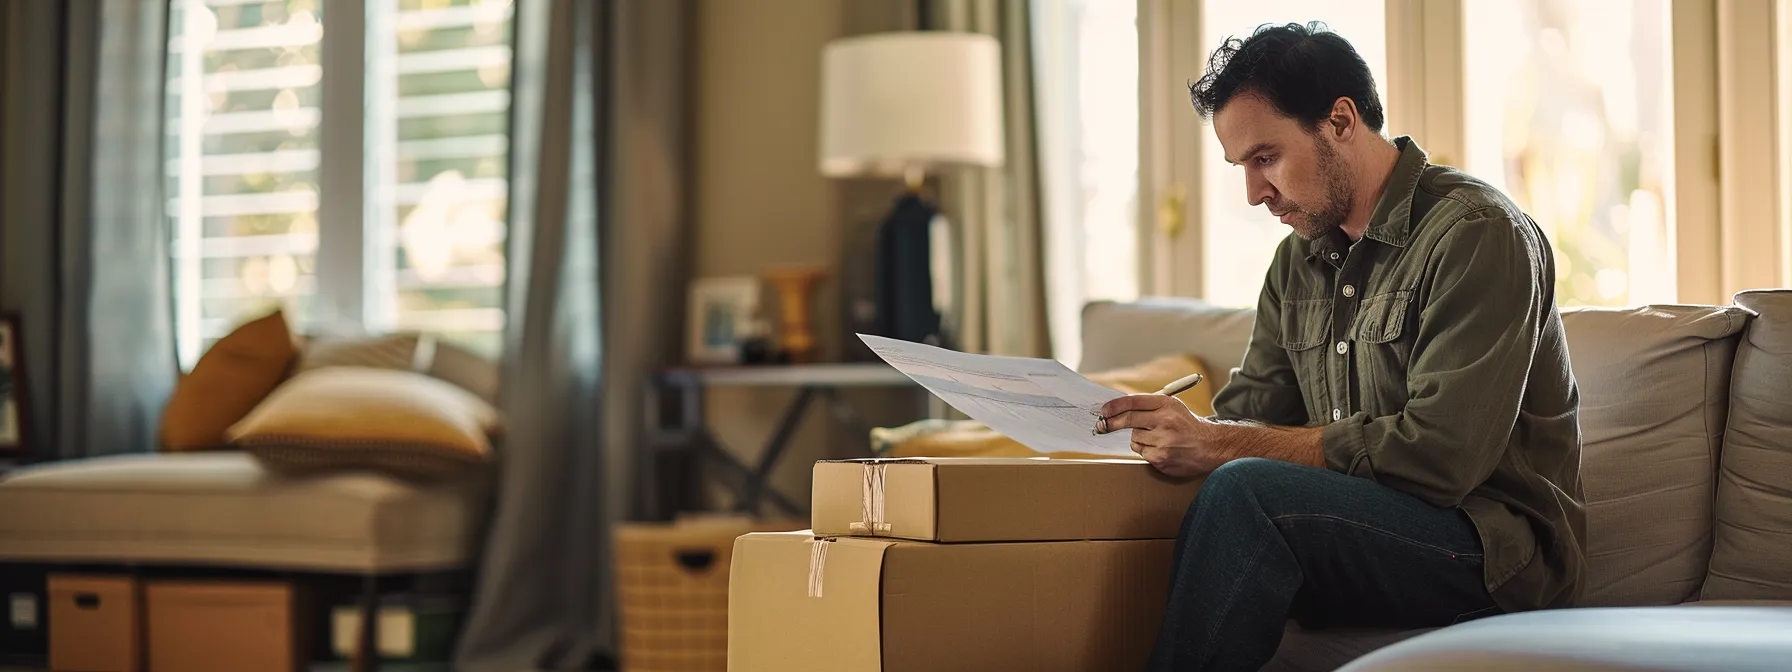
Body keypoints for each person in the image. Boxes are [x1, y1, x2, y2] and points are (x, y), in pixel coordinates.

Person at [1093, 22, 1585, 671]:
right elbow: (1250, 415)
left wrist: (1224, 445)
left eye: (1265, 157)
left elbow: (1441, 459)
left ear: (1341, 121)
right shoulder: (1296, 264)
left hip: (1493, 554)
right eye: (1242, 167)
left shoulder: (1477, 234)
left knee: (1246, 495)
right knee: (1202, 497)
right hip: (1362, 531)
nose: (1253, 193)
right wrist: (1171, 436)